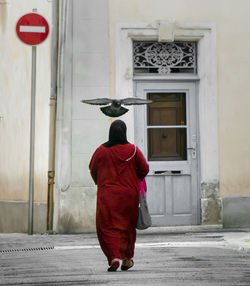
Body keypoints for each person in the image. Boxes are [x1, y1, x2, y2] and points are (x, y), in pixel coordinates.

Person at [89, 120, 149, 272]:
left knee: (107, 226)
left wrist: (100, 182)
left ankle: (114, 257)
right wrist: (136, 178)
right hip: (129, 195)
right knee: (127, 227)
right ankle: (127, 259)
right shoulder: (133, 150)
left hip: (107, 195)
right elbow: (144, 168)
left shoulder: (101, 150)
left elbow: (92, 169)